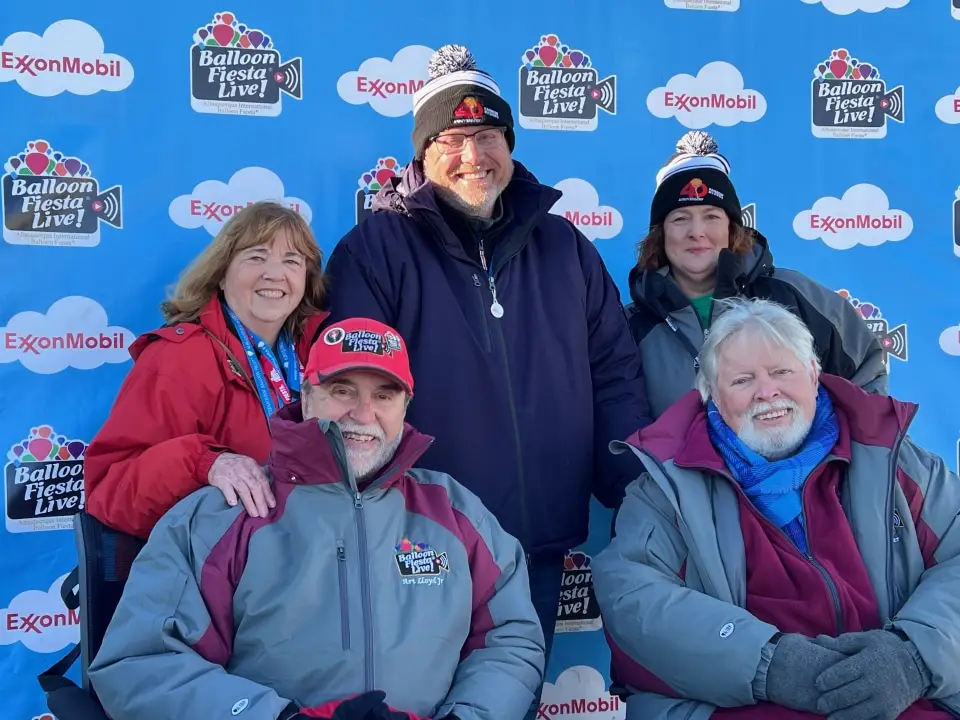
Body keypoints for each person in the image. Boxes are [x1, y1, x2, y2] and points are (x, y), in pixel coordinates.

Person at [321, 44, 650, 693]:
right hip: (419, 547)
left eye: (488, 135)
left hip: (539, 550)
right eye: (452, 137)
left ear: (510, 143)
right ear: (423, 151)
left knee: (511, 702)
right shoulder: (375, 250)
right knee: (419, 702)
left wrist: (632, 491)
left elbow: (614, 373)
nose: (474, 155)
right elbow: (352, 400)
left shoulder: (566, 248)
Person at [87, 317, 545, 720]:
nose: (363, 414)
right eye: (341, 390)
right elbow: (141, 663)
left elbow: (511, 638)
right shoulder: (221, 517)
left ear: (405, 406)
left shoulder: (456, 512)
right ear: (306, 396)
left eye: (384, 395)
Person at [592, 297, 960, 720]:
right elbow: (632, 598)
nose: (767, 392)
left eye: (782, 372)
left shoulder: (896, 461)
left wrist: (912, 657)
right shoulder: (665, 486)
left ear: (814, 374)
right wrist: (769, 665)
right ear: (710, 393)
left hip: (905, 703)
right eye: (742, 380)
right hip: (742, 707)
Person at [83, 201, 327, 538]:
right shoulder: (180, 358)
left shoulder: (319, 355)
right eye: (256, 257)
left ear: (305, 279)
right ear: (222, 275)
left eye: (292, 261)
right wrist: (204, 464)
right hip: (215, 571)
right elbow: (110, 490)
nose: (275, 273)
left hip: (306, 556)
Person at [626, 130, 887, 419]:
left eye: (712, 216)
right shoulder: (632, 325)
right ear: (660, 235)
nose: (696, 232)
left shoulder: (794, 296)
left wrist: (837, 454)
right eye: (680, 219)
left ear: (732, 228)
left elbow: (866, 372)